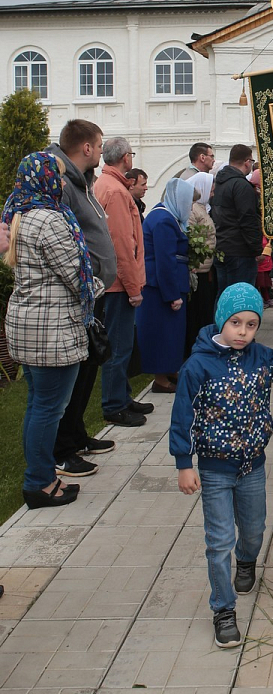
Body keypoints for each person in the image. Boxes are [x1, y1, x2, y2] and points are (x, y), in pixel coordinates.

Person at [170, 284, 273, 647]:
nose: (243, 332)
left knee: (254, 529)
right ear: (221, 320)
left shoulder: (259, 357)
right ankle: (223, 610)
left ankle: (246, 559)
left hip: (252, 466)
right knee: (219, 540)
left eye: (251, 324)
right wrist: (184, 463)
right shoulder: (198, 366)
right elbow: (182, 417)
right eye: (235, 322)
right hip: (214, 469)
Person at [3, 153, 101, 508]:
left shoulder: (18, 212)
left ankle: (42, 476)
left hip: (28, 323)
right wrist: (97, 286)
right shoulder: (48, 218)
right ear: (43, 179)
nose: (61, 182)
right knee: (48, 409)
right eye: (56, 175)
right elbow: (75, 275)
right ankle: (39, 483)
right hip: (51, 327)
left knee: (38, 405)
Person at [48, 120, 117, 475]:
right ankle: (63, 448)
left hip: (94, 292)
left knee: (89, 367)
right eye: (100, 145)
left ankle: (76, 435)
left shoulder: (83, 181)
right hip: (79, 294)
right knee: (71, 377)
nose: (102, 151)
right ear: (87, 148)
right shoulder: (63, 184)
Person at [94, 138, 153, 427]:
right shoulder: (116, 191)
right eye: (131, 154)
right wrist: (133, 287)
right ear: (125, 158)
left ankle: (122, 396)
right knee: (119, 347)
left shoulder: (106, 184)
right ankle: (114, 405)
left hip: (113, 281)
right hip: (118, 284)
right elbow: (121, 245)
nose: (132, 158)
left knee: (121, 345)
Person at [137, 178, 193, 392]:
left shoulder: (167, 216)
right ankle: (160, 379)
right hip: (160, 289)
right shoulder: (163, 220)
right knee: (162, 334)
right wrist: (172, 294)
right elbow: (165, 260)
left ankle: (170, 369)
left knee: (172, 333)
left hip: (165, 285)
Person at [212, 144, 263, 295]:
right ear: (247, 162)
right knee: (240, 297)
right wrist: (257, 248)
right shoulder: (241, 185)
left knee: (224, 296)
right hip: (240, 250)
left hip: (222, 246)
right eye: (251, 162)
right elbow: (248, 219)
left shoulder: (220, 183)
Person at [184, 172, 217, 355]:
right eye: (210, 189)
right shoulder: (192, 209)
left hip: (205, 268)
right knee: (197, 313)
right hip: (198, 269)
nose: (212, 193)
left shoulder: (202, 207)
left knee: (205, 311)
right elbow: (191, 237)